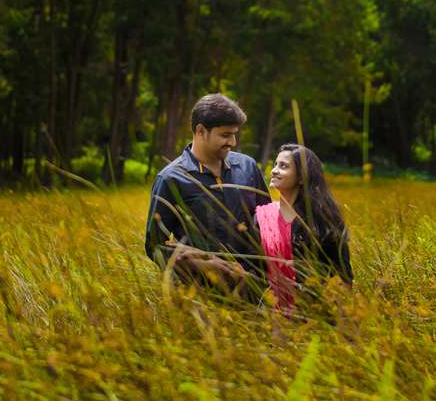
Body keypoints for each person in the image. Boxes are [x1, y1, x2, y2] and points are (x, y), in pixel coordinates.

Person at [144, 93, 270, 297]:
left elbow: (268, 222)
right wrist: (206, 267)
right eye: (225, 135)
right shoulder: (170, 179)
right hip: (203, 296)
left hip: (258, 291)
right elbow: (155, 246)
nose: (233, 141)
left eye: (235, 134)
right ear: (201, 131)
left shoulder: (247, 166)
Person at [255, 143, 353, 313]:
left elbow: (343, 276)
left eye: (283, 166)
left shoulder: (324, 220)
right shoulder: (262, 215)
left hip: (315, 311)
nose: (274, 170)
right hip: (270, 313)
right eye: (275, 164)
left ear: (302, 177)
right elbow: (255, 269)